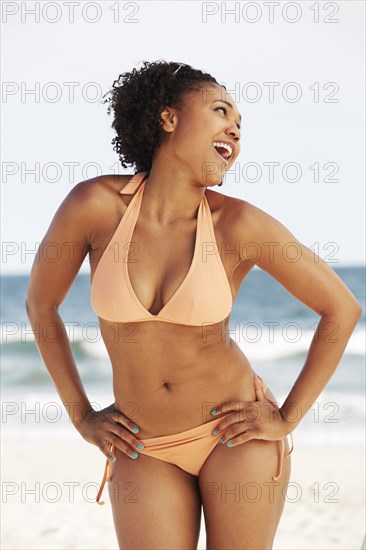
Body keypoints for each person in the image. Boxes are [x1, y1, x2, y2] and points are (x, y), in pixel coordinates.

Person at [25, 60, 362, 549]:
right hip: (143, 444)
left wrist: (287, 416)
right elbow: (41, 308)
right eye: (221, 111)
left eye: (241, 127)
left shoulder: (239, 225)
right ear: (168, 118)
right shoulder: (94, 206)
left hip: (234, 436)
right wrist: (81, 415)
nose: (235, 131)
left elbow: (341, 308)